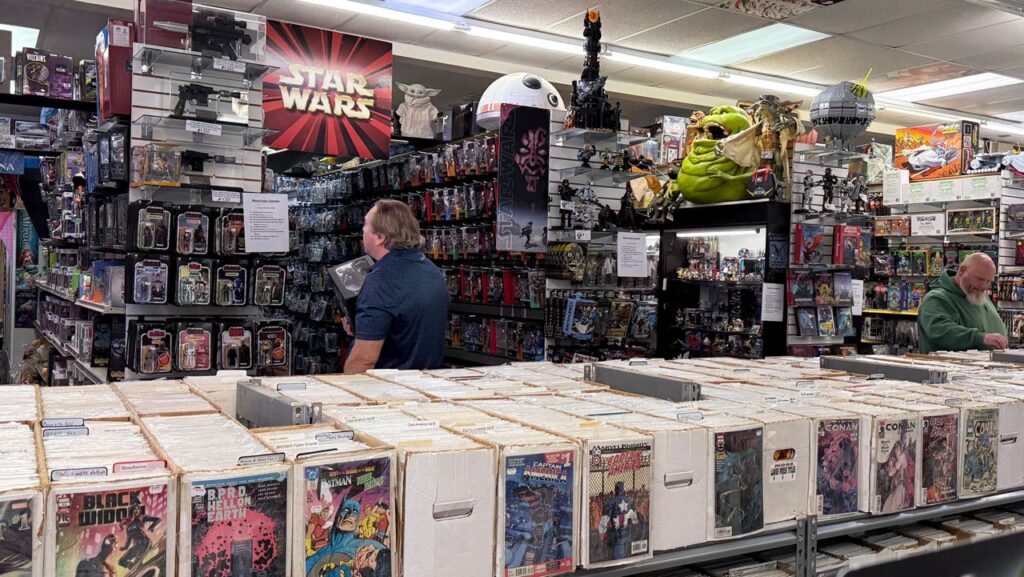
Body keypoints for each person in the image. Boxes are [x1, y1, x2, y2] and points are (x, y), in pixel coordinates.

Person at [343, 199, 449, 373]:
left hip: (388, 391)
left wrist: (344, 394)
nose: (362, 230)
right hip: (425, 385)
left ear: (380, 237)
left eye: (366, 225)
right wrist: (362, 329)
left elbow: (364, 359)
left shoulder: (381, 280)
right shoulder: (431, 269)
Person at [917, 252, 1007, 353]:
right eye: (980, 279)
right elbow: (940, 331)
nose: (984, 286)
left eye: (988, 281)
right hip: (948, 367)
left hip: (987, 366)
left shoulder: (978, 295)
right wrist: (980, 338)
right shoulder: (936, 298)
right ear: (962, 271)